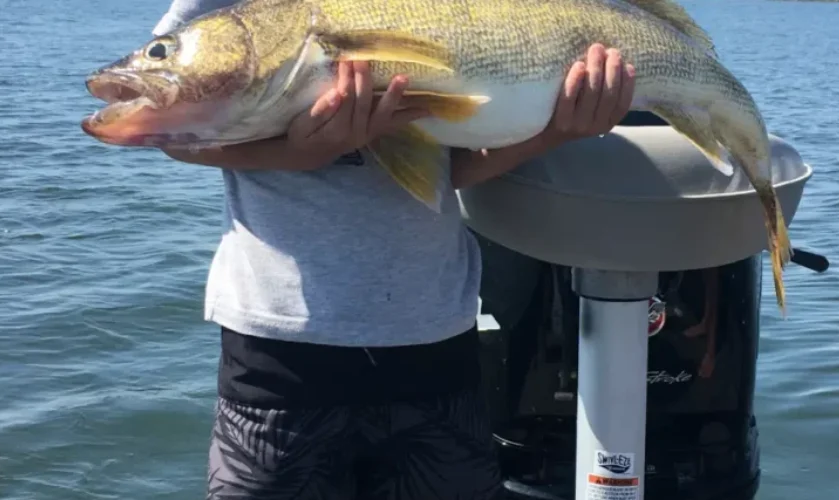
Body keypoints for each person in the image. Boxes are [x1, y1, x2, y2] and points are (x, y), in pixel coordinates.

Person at [153, 1, 636, 498]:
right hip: (278, 351)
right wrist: (297, 154)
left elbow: (452, 171)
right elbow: (172, 115)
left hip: (435, 342)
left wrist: (554, 129)